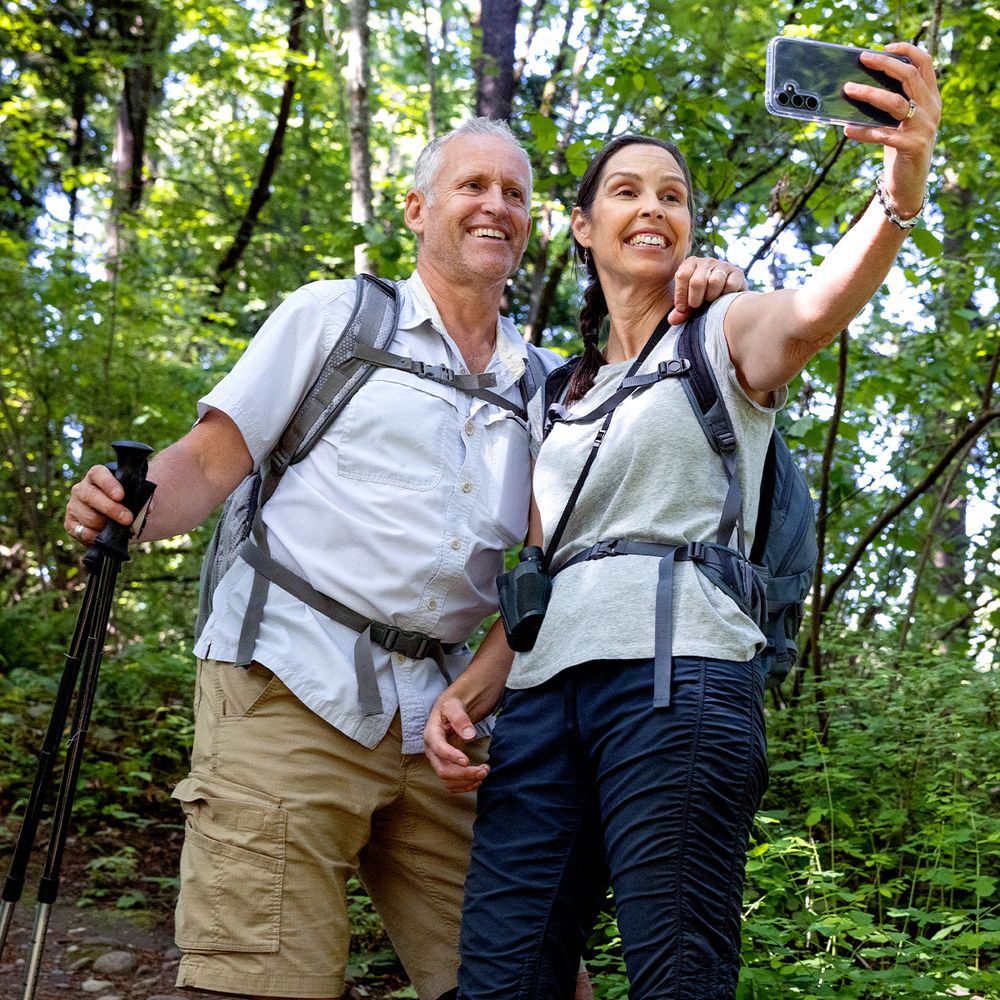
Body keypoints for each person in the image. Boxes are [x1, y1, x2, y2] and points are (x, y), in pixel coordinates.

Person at [64, 117, 746, 1000]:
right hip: (286, 683)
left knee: (526, 978)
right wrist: (131, 503)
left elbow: (543, 581)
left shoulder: (548, 387)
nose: (494, 205)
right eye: (472, 186)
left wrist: (710, 286)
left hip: (441, 720)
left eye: (513, 194)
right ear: (418, 210)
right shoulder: (336, 317)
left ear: (536, 225)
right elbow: (206, 461)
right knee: (260, 981)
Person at [424, 44, 940, 1000]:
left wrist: (898, 188)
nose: (651, 208)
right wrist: (473, 692)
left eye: (672, 194)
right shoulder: (556, 395)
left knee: (677, 974)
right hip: (540, 709)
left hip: (681, 685)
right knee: (502, 979)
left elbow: (819, 308)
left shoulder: (722, 331)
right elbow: (545, 569)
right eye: (624, 191)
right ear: (582, 226)